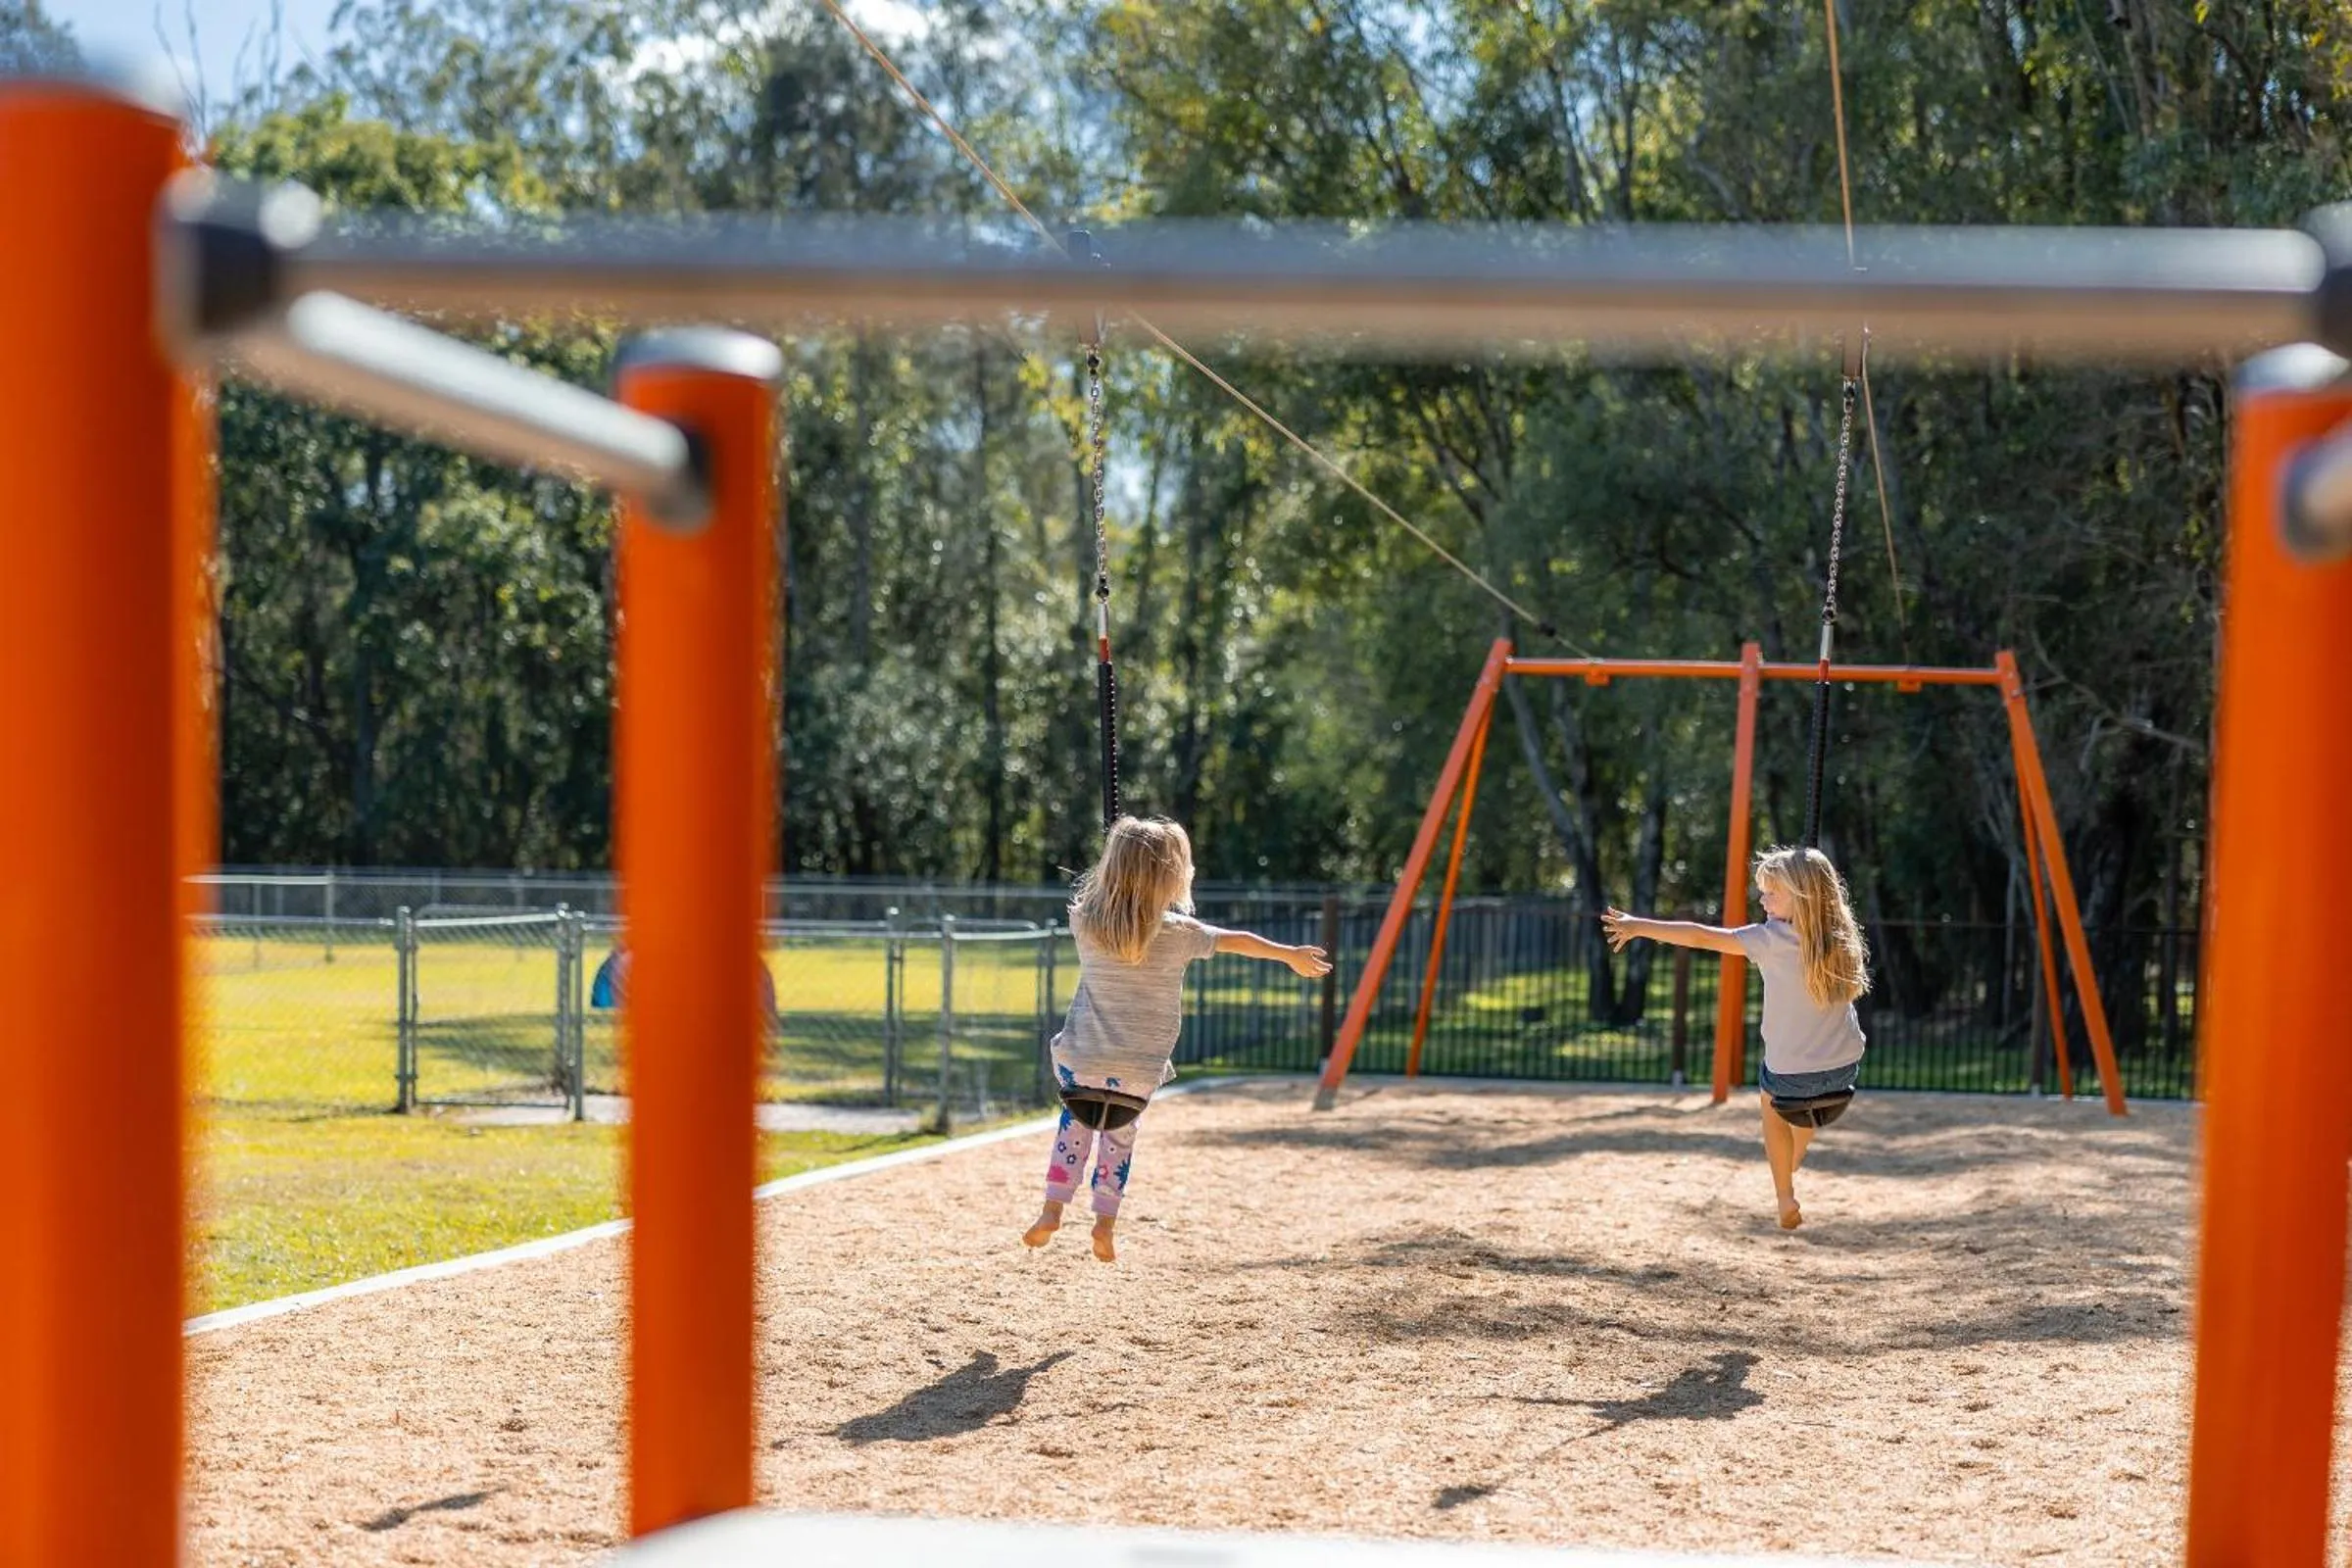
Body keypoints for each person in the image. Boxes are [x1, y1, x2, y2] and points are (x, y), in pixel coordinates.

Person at [1023, 815, 1331, 1262]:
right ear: (1173, 875)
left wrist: (1114, 864)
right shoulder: (1181, 934)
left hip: (1082, 1061)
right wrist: (1288, 955)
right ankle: (1104, 1224)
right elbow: (1239, 940)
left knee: (1075, 1127)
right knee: (1119, 1138)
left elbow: (1092, 900)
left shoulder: (1086, 924)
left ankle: (1052, 1210)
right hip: (1139, 1070)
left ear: (1111, 868)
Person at [1600, 846, 1869, 1231]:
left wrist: (1638, 925)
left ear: (1802, 896)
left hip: (1791, 1078)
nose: (1762, 898)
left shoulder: (1771, 939)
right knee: (1803, 1108)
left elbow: (1699, 937)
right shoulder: (1841, 939)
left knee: (1772, 1105)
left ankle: (1784, 1195)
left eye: (1772, 892)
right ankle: (1792, 1160)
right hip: (1844, 1070)